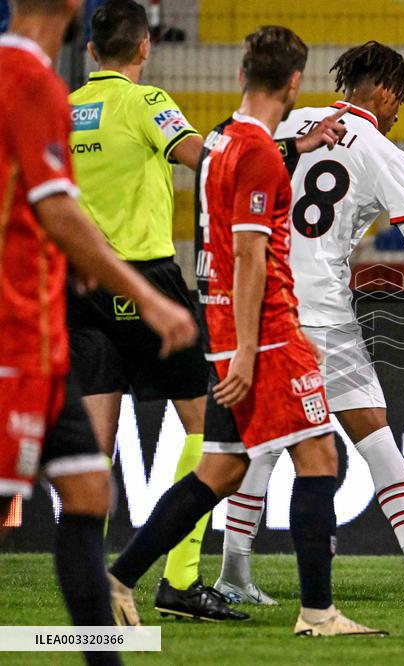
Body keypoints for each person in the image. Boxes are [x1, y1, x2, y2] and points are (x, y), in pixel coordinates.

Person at [213, 40, 404, 609]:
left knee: (262, 441)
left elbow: (222, 153)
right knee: (377, 438)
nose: (396, 116)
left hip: (264, 301)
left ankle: (234, 574)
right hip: (324, 314)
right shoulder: (384, 153)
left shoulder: (295, 121)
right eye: (398, 104)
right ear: (381, 90)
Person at [106, 25, 383, 637]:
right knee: (319, 458)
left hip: (224, 323)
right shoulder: (256, 152)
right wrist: (253, 353)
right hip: (268, 333)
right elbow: (252, 253)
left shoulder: (221, 142)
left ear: (240, 77)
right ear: (293, 84)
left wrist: (233, 344)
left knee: (221, 471)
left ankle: (120, 576)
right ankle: (318, 613)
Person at [0, 0, 198, 661]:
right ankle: (183, 576)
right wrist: (151, 298)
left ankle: (103, 643)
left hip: (62, 310)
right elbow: (56, 207)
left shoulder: (65, 94)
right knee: (212, 430)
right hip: (46, 316)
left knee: (88, 484)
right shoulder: (31, 81)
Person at [66, 0, 242, 621]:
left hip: (78, 283)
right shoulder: (146, 102)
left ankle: (93, 590)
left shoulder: (66, 110)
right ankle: (179, 580)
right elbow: (203, 155)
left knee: (95, 447)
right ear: (144, 49)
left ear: (90, 52)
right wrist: (278, 145)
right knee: (211, 430)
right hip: (146, 280)